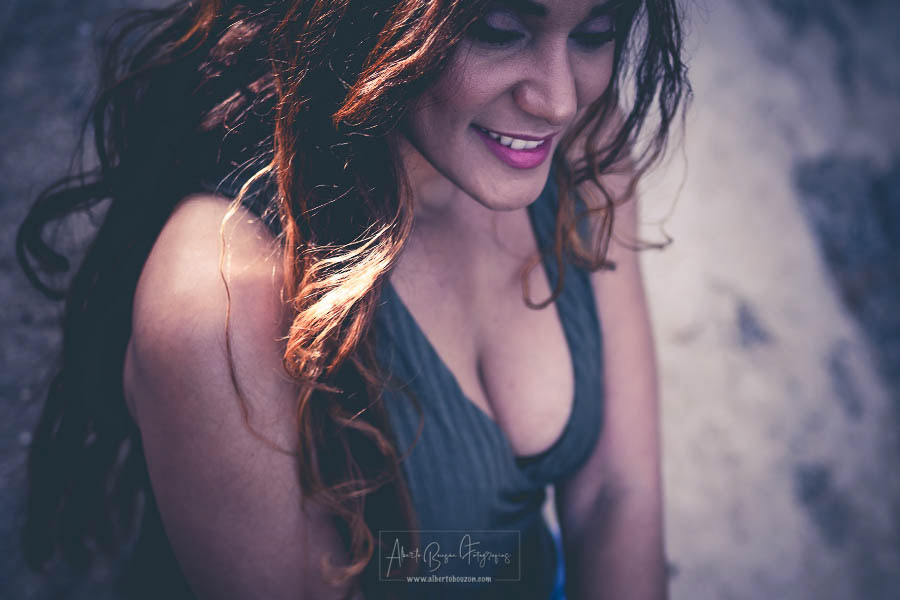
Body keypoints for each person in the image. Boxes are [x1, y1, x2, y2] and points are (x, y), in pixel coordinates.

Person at [16, 0, 689, 598]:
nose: (560, 101)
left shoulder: (580, 151)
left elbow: (614, 495)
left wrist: (505, 571)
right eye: (498, 29)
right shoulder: (220, 297)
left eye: (595, 33)